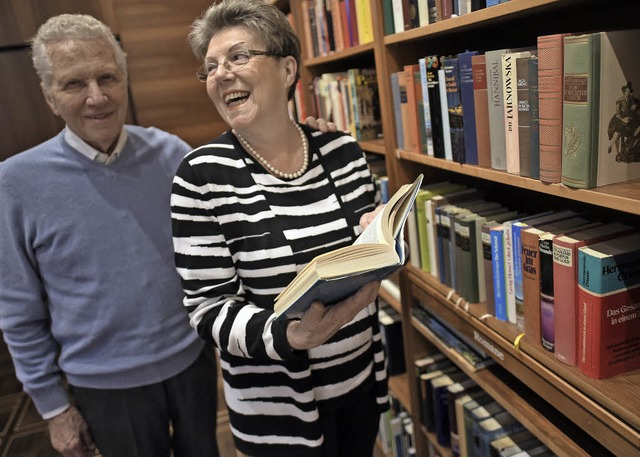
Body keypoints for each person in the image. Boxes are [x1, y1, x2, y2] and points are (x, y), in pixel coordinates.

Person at [170, 1, 390, 456]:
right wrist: (290, 335)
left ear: (288, 69)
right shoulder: (200, 176)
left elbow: (367, 256)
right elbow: (207, 309)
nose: (221, 74)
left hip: (360, 386)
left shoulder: (343, 150)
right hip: (279, 415)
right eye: (210, 67)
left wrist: (381, 236)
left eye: (238, 56)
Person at [0, 14, 224, 457]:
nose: (97, 97)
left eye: (107, 77)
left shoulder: (173, 154)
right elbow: (17, 310)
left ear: (125, 80)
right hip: (105, 386)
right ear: (49, 97)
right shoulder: (14, 184)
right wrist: (53, 409)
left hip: (192, 362)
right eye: (73, 84)